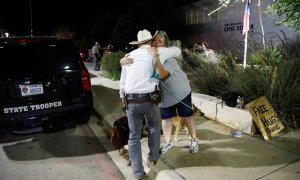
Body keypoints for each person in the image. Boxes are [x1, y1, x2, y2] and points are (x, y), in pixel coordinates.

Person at [121, 30, 199, 155]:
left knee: (187, 116)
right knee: (166, 119)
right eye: (155, 40)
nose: (157, 42)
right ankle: (168, 142)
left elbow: (161, 75)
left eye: (160, 41)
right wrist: (122, 61)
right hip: (165, 95)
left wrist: (155, 56)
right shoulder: (149, 55)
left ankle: (194, 140)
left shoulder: (169, 59)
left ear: (165, 45)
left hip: (180, 92)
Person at [119, 29, 181, 180]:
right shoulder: (157, 52)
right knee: (153, 126)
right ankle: (153, 156)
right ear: (151, 41)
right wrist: (159, 50)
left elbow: (122, 84)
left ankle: (138, 173)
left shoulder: (128, 57)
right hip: (150, 100)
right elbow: (178, 50)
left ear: (139, 43)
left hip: (131, 101)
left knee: (134, 136)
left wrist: (124, 100)